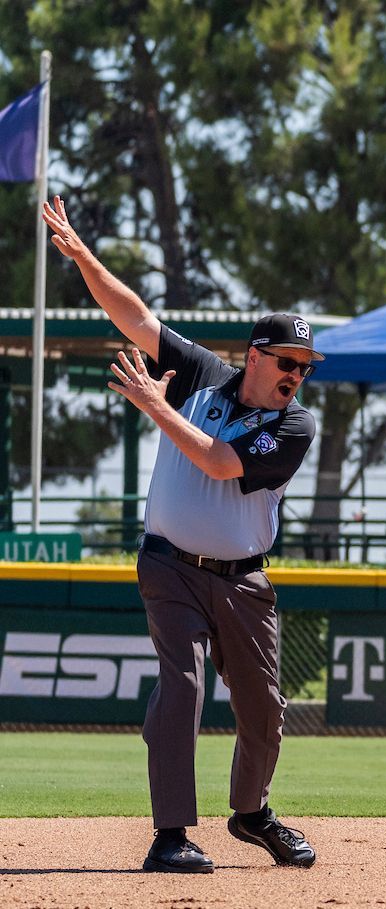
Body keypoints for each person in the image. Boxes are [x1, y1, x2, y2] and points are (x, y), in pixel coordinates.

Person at [43, 195, 319, 874]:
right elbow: (134, 315)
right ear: (254, 354)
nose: (296, 375)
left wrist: (155, 408)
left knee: (263, 707)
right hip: (169, 567)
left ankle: (251, 813)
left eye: (305, 366)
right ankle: (170, 834)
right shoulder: (201, 374)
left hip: (244, 579)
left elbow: (220, 463)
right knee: (183, 686)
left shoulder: (294, 428)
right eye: (286, 360)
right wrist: (83, 257)